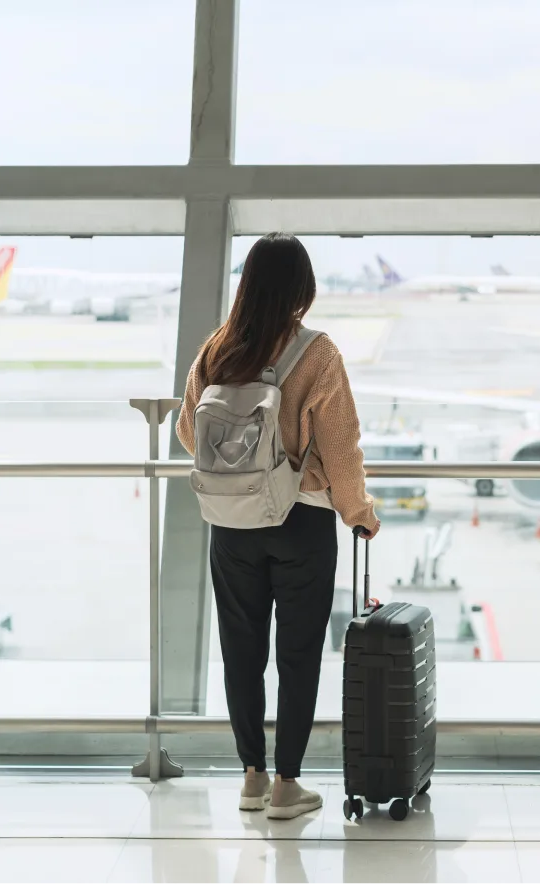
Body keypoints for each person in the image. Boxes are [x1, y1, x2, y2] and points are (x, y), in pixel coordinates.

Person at [176, 233, 380, 819]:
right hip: (302, 521)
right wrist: (357, 512)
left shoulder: (217, 349)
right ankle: (288, 784)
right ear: (303, 288)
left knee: (241, 652)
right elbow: (341, 448)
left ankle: (251, 777)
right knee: (298, 654)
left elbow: (191, 432)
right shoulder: (318, 353)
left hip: (231, 523)